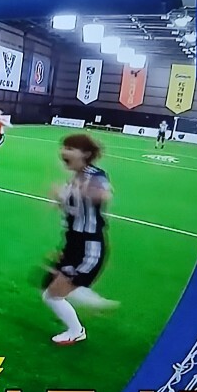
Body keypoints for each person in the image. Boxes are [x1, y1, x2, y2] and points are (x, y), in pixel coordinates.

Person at [42, 134, 119, 345]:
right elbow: (72, 207)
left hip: (88, 247)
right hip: (73, 242)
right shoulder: (75, 178)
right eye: (63, 147)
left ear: (85, 154)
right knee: (47, 283)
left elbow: (104, 194)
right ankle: (83, 295)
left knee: (52, 295)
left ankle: (76, 329)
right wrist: (59, 200)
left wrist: (86, 192)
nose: (63, 152)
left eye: (70, 148)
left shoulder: (94, 175)